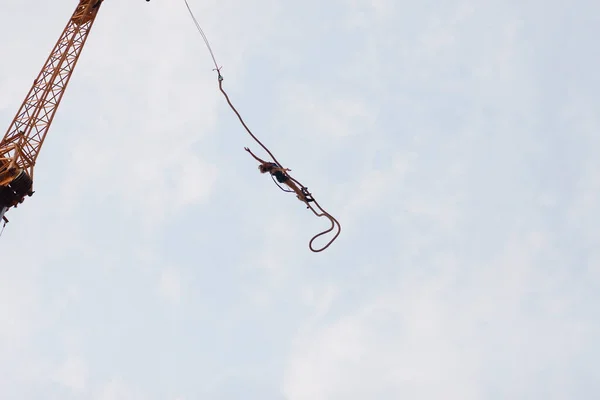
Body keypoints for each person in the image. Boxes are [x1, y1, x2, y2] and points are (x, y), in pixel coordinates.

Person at [244, 147, 314, 204]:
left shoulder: (269, 164)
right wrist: (285, 169)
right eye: (265, 164)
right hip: (281, 178)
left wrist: (250, 152)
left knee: (294, 185)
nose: (266, 163)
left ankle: (302, 195)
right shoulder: (271, 168)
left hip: (281, 176)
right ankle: (302, 198)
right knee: (294, 187)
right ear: (265, 166)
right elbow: (278, 169)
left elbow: (257, 158)